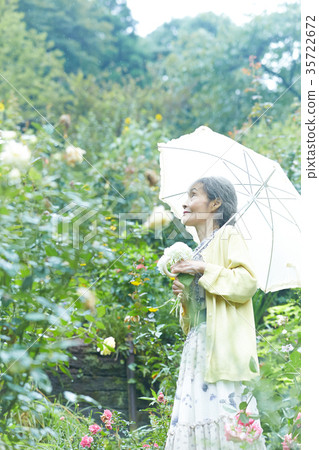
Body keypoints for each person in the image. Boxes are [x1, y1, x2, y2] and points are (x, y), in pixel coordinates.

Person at [164, 176, 266, 449]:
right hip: (198, 349)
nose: (185, 202)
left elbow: (246, 282)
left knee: (226, 428)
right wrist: (184, 298)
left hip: (223, 348)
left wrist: (202, 269)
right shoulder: (199, 249)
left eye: (194, 194)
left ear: (215, 203)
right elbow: (192, 322)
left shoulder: (228, 235)